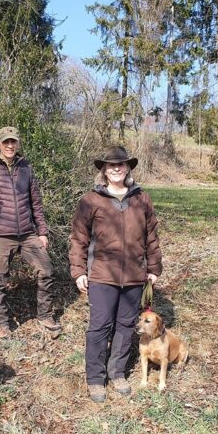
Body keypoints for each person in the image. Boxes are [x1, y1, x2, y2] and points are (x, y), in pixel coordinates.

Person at [69, 146, 162, 403]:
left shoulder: (141, 199)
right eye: (111, 165)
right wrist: (78, 271)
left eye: (121, 164)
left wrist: (153, 268)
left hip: (134, 276)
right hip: (101, 276)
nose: (117, 169)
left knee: (125, 326)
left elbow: (151, 236)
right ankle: (96, 379)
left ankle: (117, 372)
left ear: (128, 168)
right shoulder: (91, 200)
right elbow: (79, 238)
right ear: (104, 170)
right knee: (99, 326)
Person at [0, 126, 60, 338]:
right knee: (0, 280)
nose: (10, 146)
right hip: (0, 235)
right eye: (6, 142)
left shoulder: (26, 168)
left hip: (28, 233)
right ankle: (2, 324)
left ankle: (44, 315)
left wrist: (42, 232)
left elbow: (36, 203)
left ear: (17, 143)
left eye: (13, 142)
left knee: (46, 270)